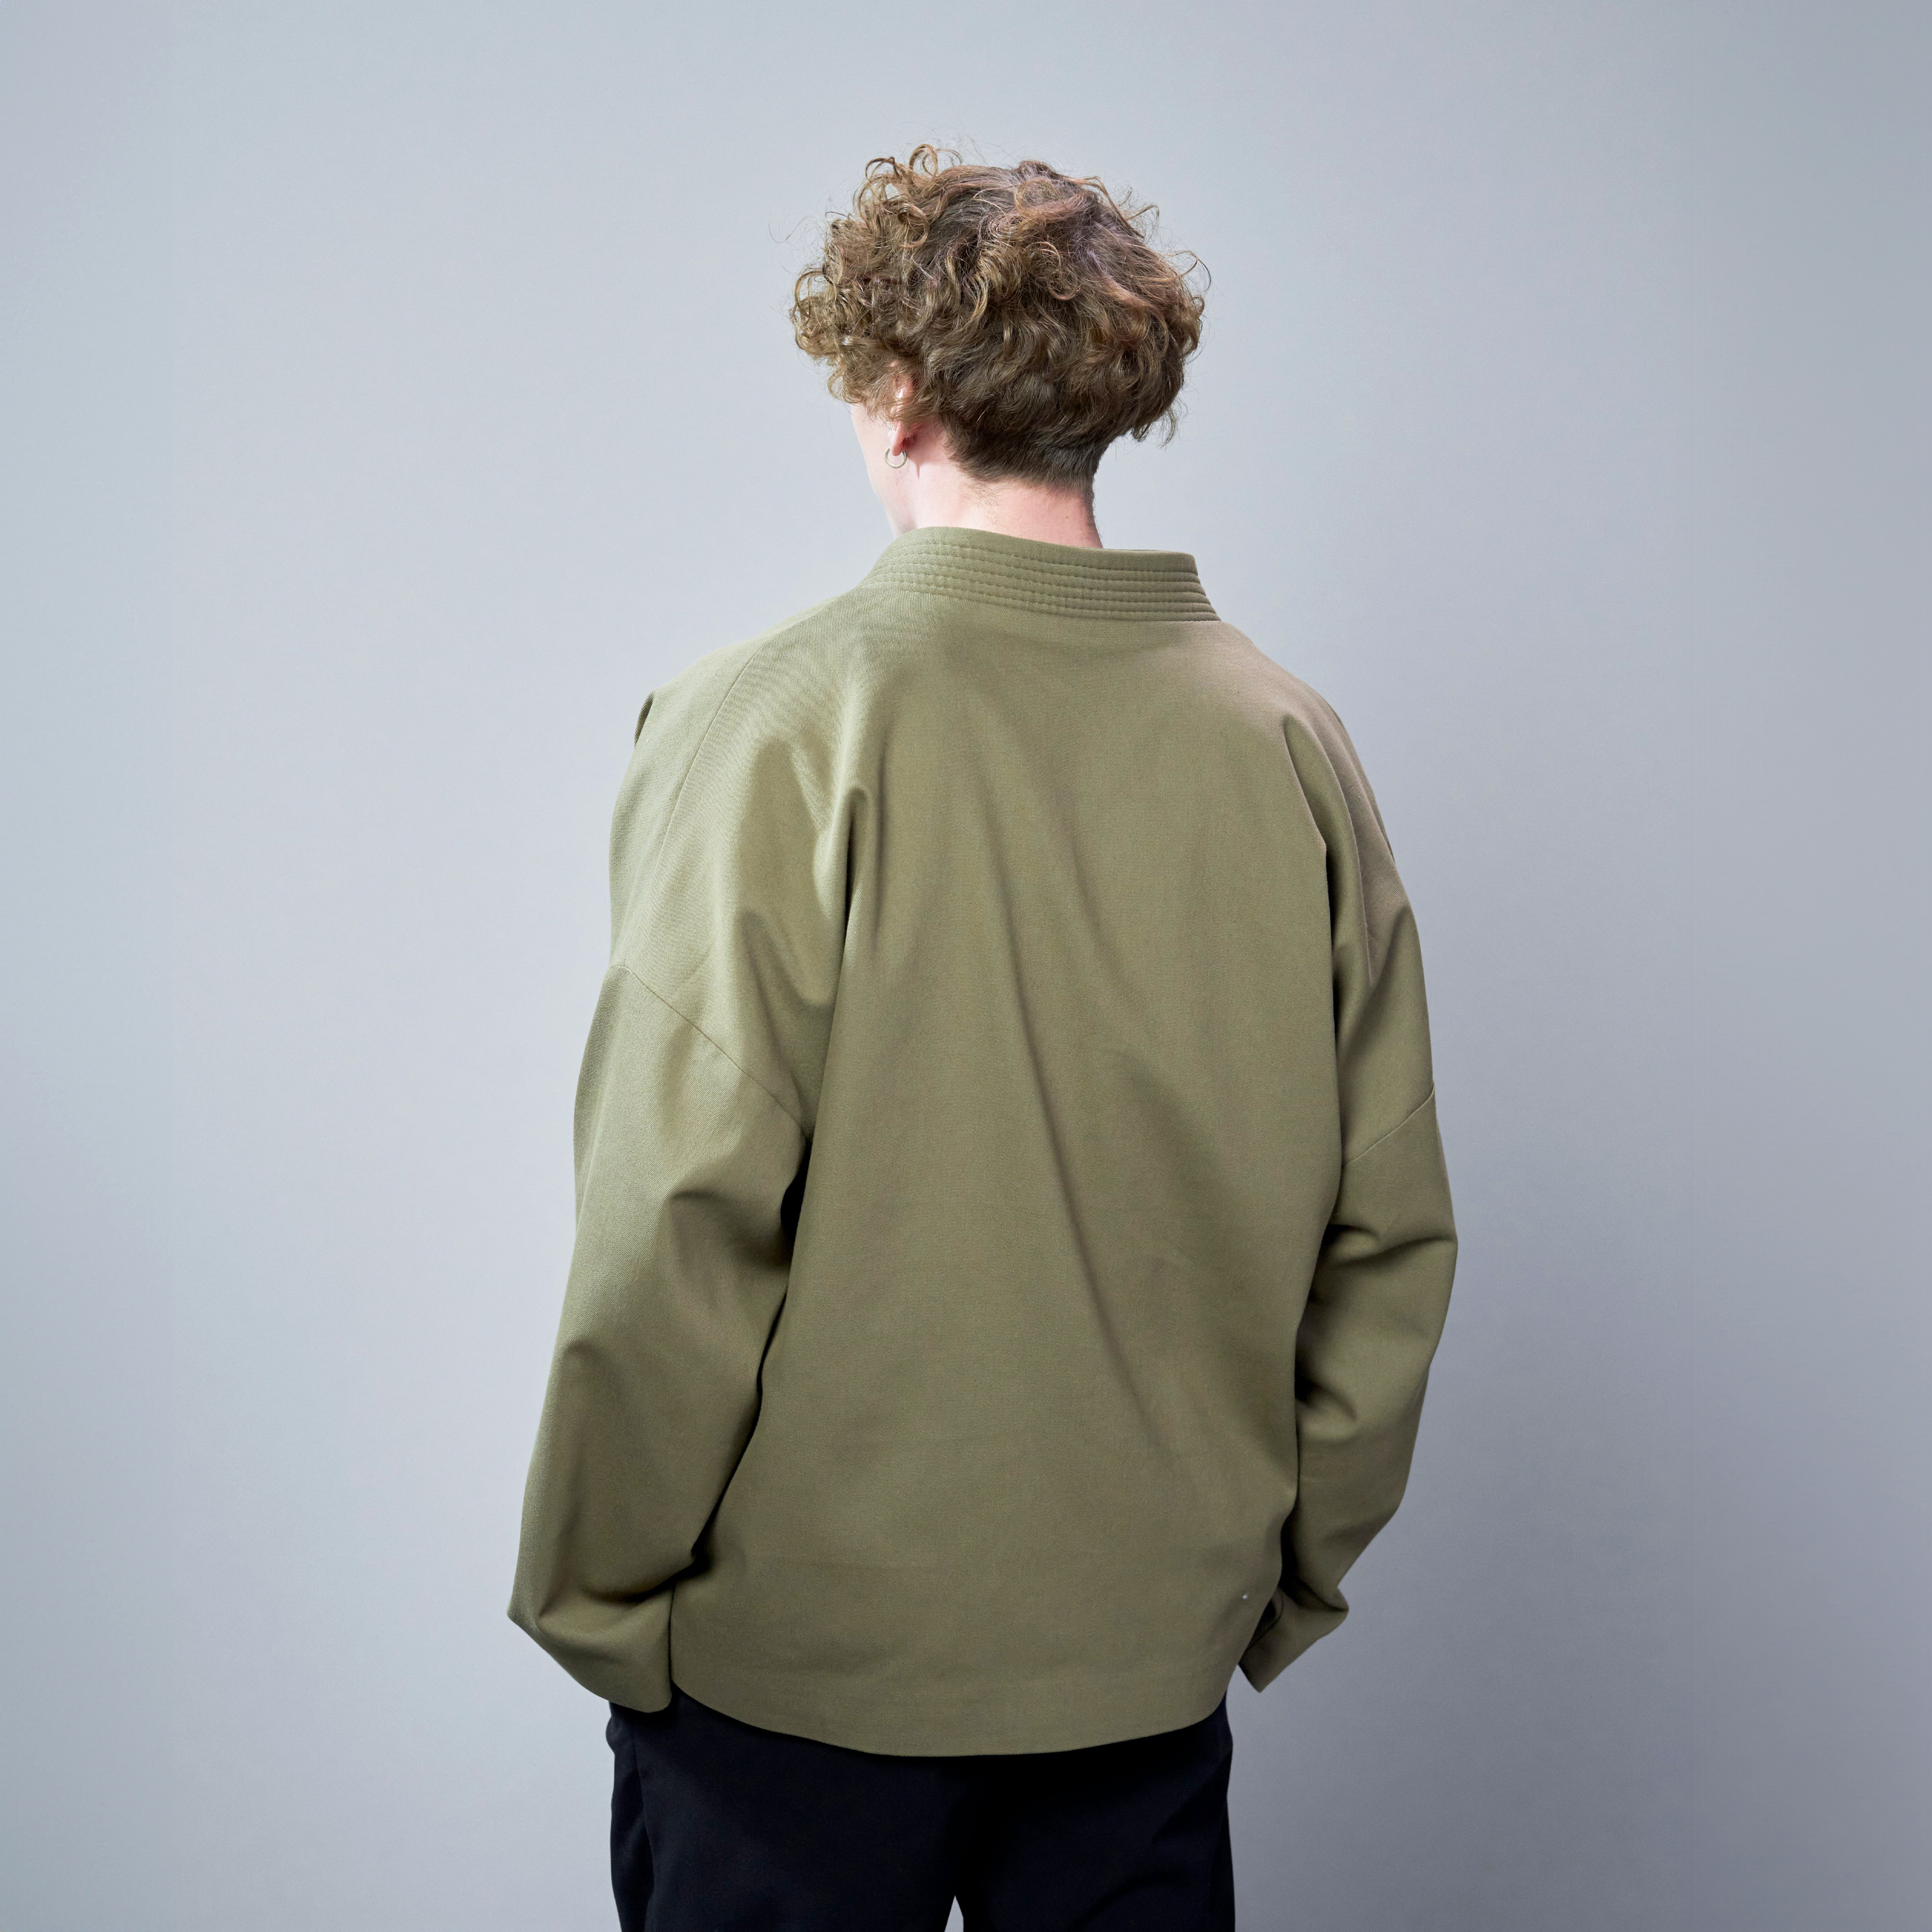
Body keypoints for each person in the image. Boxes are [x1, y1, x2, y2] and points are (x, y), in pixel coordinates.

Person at [509, 146, 1457, 1931]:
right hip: (1142, 1666)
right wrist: (1275, 1569)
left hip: (790, 1680)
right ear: (1107, 402)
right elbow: (1387, 1225)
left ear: (894, 390)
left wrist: (600, 1591)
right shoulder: (1286, 744)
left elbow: (669, 1219)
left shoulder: (767, 726)